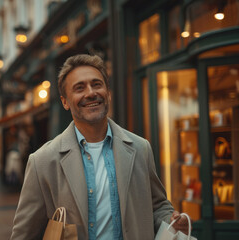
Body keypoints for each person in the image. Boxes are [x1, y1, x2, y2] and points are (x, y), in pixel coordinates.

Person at [10, 54, 190, 239]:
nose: (90, 93)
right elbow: (24, 234)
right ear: (65, 101)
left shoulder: (140, 148)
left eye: (96, 84)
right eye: (79, 88)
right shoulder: (42, 161)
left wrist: (171, 219)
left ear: (108, 93)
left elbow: (158, 205)